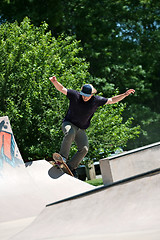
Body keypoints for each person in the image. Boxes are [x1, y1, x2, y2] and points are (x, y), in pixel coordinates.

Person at [49, 76, 135, 177]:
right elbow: (62, 89)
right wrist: (55, 82)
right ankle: (62, 158)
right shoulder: (75, 95)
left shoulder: (96, 100)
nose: (84, 97)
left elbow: (112, 100)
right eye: (83, 95)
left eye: (87, 96)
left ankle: (71, 167)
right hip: (69, 123)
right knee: (70, 133)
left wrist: (124, 94)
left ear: (92, 94)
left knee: (84, 149)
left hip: (81, 129)